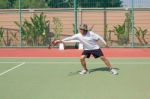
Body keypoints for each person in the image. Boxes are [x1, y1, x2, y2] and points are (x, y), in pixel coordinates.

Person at [53, 24, 118, 75]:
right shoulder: (78, 35)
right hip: (87, 49)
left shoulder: (91, 34)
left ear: (85, 30)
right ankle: (85, 70)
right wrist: (60, 40)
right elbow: (70, 38)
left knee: (103, 58)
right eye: (80, 29)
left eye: (81, 29)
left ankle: (111, 69)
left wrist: (105, 43)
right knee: (81, 58)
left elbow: (99, 37)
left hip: (95, 48)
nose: (80, 30)